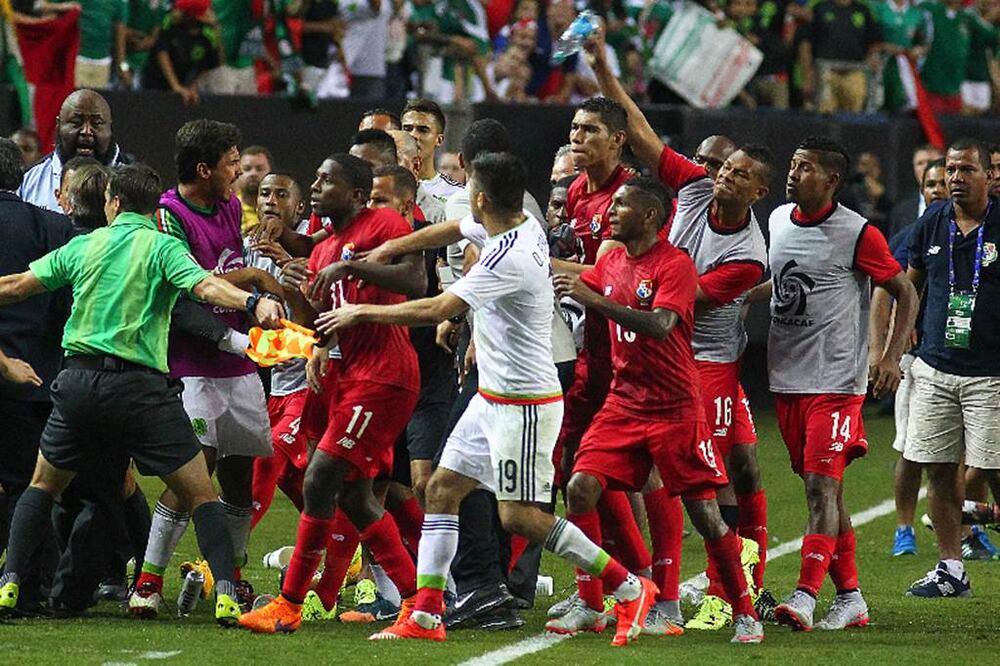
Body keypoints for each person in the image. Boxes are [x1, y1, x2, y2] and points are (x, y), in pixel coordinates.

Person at [319, 151, 658, 647]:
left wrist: (360, 312)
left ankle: (629, 588)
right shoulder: (517, 227)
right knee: (440, 490)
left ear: (481, 196)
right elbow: (454, 230)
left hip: (524, 404)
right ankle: (428, 614)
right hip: (491, 396)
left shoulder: (508, 258)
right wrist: (388, 247)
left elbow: (438, 307)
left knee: (518, 516)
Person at [0, 163, 284, 625]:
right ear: (155, 212)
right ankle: (228, 593)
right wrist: (253, 301)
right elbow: (207, 286)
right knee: (201, 494)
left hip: (78, 385)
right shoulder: (162, 246)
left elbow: (15, 287)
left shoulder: (84, 244)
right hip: (141, 391)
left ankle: (10, 581)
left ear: (112, 203)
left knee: (42, 487)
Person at [585, 31, 771, 633]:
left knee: (712, 500)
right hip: (627, 390)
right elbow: (639, 130)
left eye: (738, 174)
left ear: (757, 191)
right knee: (582, 485)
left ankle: (738, 602)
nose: (720, 177)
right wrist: (604, 69)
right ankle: (622, 587)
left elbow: (670, 312)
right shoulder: (679, 198)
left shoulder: (740, 254)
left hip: (694, 371)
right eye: (720, 168)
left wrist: (591, 290)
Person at [551, 176, 764, 645]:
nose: (612, 210)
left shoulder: (675, 265)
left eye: (623, 204)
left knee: (705, 516)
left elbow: (662, 326)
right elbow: (570, 276)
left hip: (674, 407)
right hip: (625, 402)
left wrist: (596, 301)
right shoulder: (608, 260)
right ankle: (593, 601)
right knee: (580, 486)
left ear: (650, 216)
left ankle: (745, 612)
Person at [238, 153, 425, 635]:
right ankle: (416, 602)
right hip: (351, 375)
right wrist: (308, 317)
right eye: (316, 178)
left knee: (320, 477)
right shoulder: (322, 252)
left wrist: (351, 268)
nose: (317, 187)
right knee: (355, 495)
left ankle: (291, 602)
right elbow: (316, 316)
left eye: (327, 180)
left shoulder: (381, 222)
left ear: (358, 195)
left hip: (386, 374)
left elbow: (414, 279)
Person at [748, 136, 918, 631]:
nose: (793, 173)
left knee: (823, 487)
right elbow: (780, 283)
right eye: (793, 164)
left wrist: (889, 355)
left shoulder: (857, 232)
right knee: (826, 492)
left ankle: (804, 595)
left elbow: (902, 290)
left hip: (837, 379)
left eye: (805, 167)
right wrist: (733, 295)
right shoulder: (778, 220)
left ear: (832, 181)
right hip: (787, 378)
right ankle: (851, 598)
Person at [129, 120, 282, 618]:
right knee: (193, 475)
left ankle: (230, 578)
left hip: (237, 365)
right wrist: (247, 297)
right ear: (204, 168)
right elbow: (182, 291)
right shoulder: (168, 216)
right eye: (231, 163)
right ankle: (148, 582)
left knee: (239, 475)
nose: (239, 173)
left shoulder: (231, 205)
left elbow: (221, 269)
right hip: (192, 363)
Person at [902, 139, 1000, 597]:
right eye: (952, 170)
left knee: (994, 470)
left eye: (966, 170)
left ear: (988, 177)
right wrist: (893, 347)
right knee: (938, 469)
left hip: (991, 373)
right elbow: (908, 284)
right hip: (937, 368)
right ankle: (951, 569)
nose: (956, 179)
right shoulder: (932, 221)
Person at [0, 137, 75, 613]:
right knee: (29, 486)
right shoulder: (55, 226)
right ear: (20, 177)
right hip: (36, 380)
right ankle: (32, 586)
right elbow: (71, 304)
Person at [871, 157, 947, 558]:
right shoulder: (913, 235)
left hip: (960, 356)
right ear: (922, 190)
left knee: (963, 456)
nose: (937, 189)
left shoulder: (975, 234)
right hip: (916, 356)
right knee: (911, 449)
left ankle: (966, 530)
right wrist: (888, 343)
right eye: (930, 183)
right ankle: (904, 527)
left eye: (942, 183)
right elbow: (886, 288)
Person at [245, 172, 309, 530]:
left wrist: (284, 261)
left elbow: (313, 325)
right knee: (290, 479)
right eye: (265, 193)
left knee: (269, 458)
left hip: (309, 383)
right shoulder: (246, 248)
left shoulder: (310, 249)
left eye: (281, 194)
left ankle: (219, 563)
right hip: (272, 384)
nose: (270, 200)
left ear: (299, 207)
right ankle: (342, 547)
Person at [18, 90, 129, 213]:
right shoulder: (29, 182)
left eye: (97, 123)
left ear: (110, 128)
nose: (86, 131)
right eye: (76, 122)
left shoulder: (135, 183)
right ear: (58, 125)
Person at [143, 0, 225, 106]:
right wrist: (175, 86)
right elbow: (161, 52)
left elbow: (214, 63)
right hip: (155, 82)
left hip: (187, 82)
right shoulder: (170, 21)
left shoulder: (209, 32)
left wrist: (192, 87)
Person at [888, 145, 945, 237]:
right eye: (920, 163)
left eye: (931, 162)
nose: (926, 167)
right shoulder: (901, 211)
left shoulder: (961, 207)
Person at [236, 146, 274, 235]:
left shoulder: (279, 208)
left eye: (259, 169)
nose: (253, 173)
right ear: (237, 172)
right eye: (247, 169)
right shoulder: (227, 208)